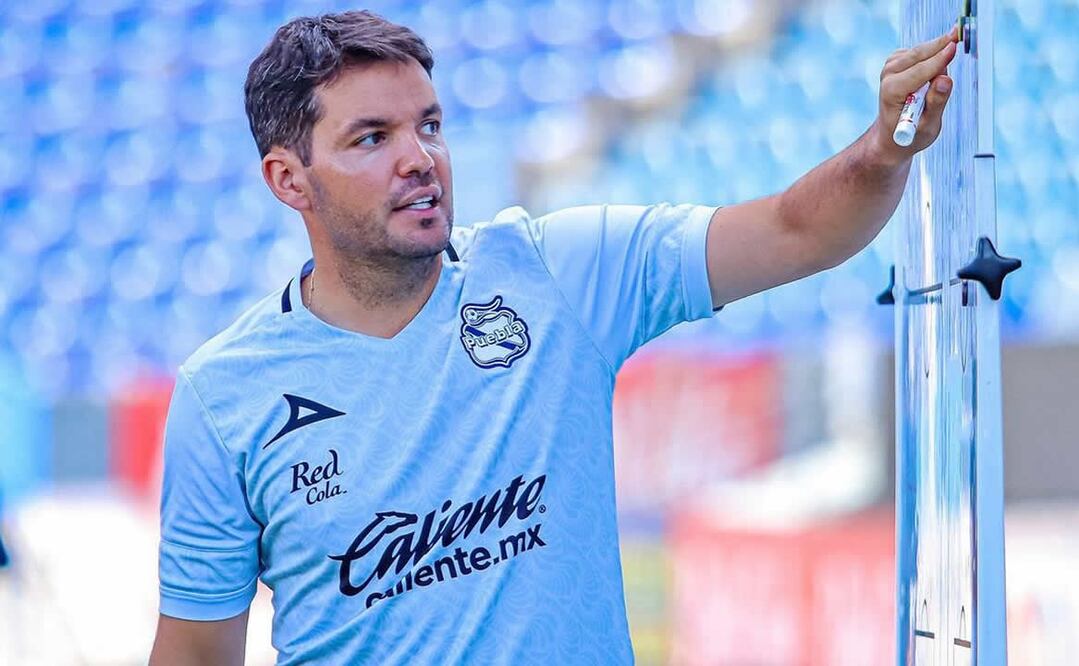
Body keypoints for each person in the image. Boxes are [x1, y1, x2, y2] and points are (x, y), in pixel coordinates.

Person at [148, 10, 958, 665]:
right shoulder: (225, 395)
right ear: (289, 179)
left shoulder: (554, 271)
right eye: (372, 138)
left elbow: (794, 231)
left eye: (429, 125)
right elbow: (193, 653)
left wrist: (883, 147)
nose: (420, 158)